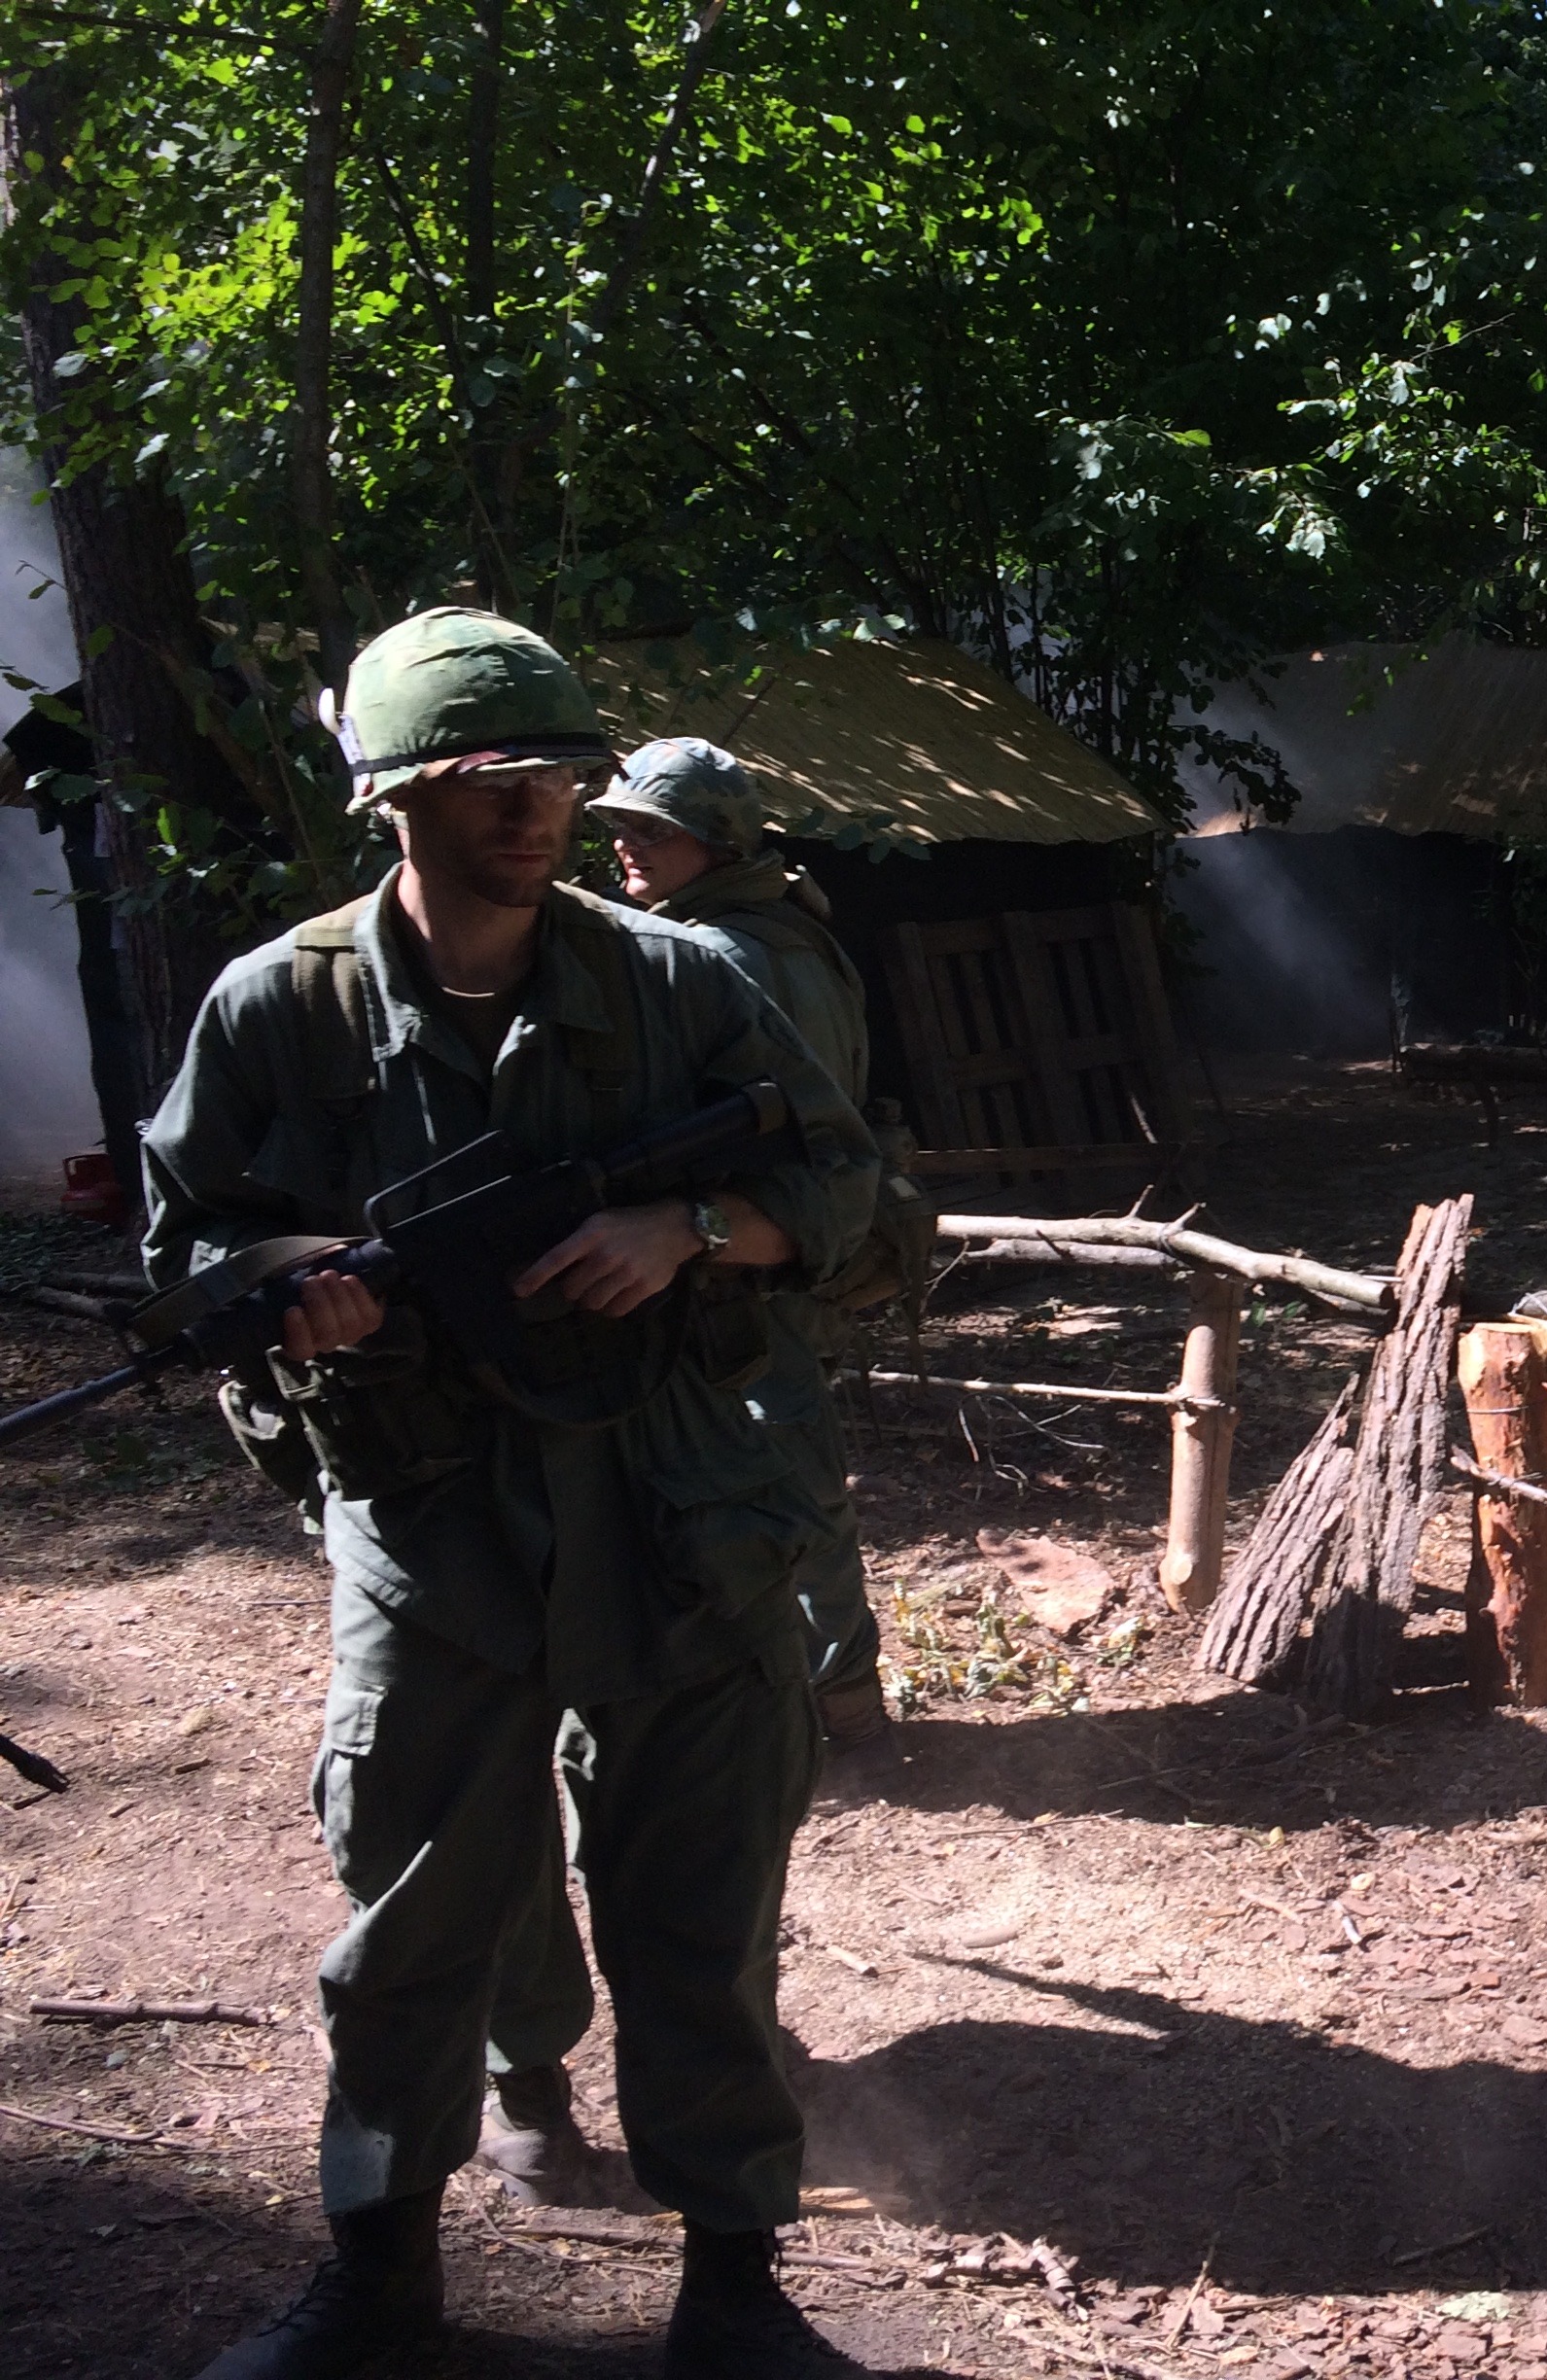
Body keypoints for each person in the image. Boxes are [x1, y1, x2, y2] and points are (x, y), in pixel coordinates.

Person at [153, 608, 882, 2378]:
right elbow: (192, 1243)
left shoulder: (682, 982)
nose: (533, 810)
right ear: (394, 797)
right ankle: (377, 2276)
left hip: (682, 1508)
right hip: (435, 1522)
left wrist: (688, 1226)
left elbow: (855, 1196)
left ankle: (734, 2286)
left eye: (557, 775)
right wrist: (299, 1291)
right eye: (488, 780)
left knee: (702, 1917)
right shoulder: (284, 1006)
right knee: (410, 1922)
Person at [467, 735, 899, 2214]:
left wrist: (691, 1227)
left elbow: (816, 1165)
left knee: (722, 1668)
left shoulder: (714, 960)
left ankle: (703, 2071)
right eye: (622, 827)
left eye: (653, 830)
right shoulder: (774, 937)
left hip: (702, 1334)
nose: (622, 848)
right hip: (644, 1353)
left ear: (719, 838)